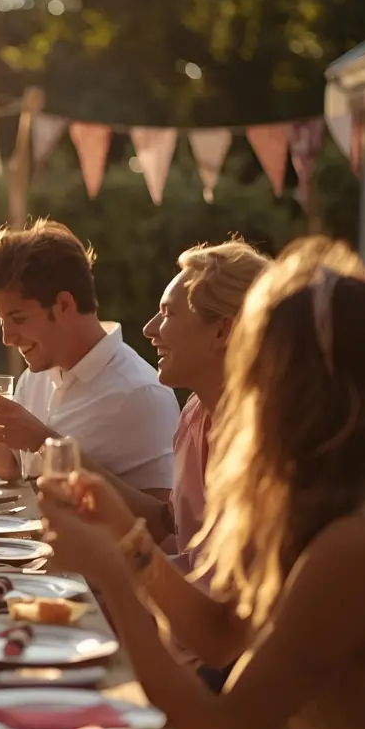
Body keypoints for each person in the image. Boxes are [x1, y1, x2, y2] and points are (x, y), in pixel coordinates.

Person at [38, 237, 365, 729]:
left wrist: (113, 575)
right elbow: (223, 633)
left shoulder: (359, 539)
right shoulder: (333, 495)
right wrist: (127, 538)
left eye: (256, 365)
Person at [0, 219, 179, 493]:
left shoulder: (142, 395)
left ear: (64, 305)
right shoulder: (38, 375)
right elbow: (11, 463)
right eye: (1, 320)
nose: (7, 338)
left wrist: (44, 442)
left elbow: (161, 515)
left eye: (18, 318)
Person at [113, 238, 271, 564]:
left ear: (222, 331)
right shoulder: (196, 413)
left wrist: (114, 568)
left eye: (167, 313)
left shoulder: (270, 443)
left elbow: (220, 587)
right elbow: (181, 537)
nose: (149, 329)